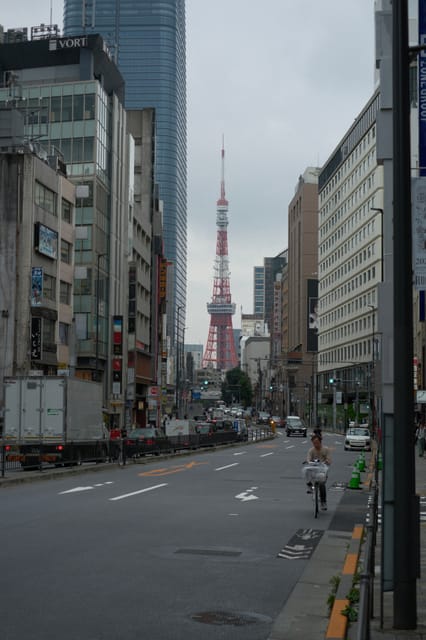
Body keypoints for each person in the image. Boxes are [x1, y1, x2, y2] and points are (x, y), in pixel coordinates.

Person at [304, 434, 331, 510]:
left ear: (320, 442)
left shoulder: (326, 449)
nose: (316, 444)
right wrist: (309, 461)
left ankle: (323, 502)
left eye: (317, 442)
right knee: (306, 470)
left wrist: (327, 461)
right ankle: (309, 485)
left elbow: (329, 460)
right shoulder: (311, 450)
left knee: (322, 485)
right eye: (314, 443)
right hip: (314, 469)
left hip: (322, 470)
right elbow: (308, 459)